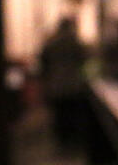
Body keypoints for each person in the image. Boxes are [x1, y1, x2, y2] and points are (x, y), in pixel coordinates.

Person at [38, 17, 88, 146]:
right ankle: (72, 138)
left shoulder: (51, 42)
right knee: (72, 113)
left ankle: (62, 139)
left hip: (56, 83)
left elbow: (43, 62)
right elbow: (84, 58)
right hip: (73, 82)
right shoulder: (75, 42)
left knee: (60, 114)